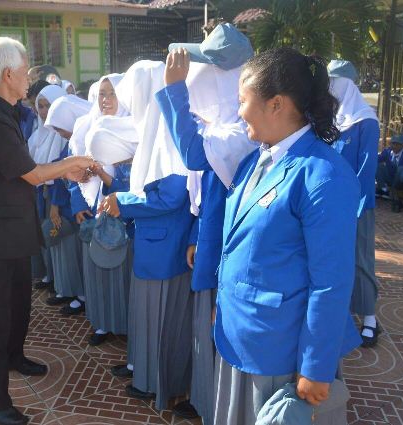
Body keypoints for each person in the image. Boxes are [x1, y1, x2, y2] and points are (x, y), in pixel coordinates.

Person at [168, 46, 361, 424]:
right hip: (242, 333)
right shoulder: (256, 159)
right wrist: (224, 306)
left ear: (276, 104)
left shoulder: (323, 175)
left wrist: (316, 367)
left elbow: (331, 282)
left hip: (281, 348)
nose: (238, 111)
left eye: (243, 101)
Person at [0, 37, 95, 425]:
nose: (29, 79)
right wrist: (70, 163)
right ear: (7, 74)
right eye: (24, 71)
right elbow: (33, 174)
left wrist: (65, 167)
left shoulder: (6, 113)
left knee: (18, 305)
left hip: (12, 230)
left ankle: (15, 356)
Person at [156, 22, 255, 423]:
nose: (194, 77)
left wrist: (174, 90)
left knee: (218, 328)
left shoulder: (241, 130)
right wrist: (198, 234)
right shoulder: (223, 124)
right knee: (207, 328)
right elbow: (207, 192)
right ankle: (206, 401)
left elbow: (197, 156)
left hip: (231, 249)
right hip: (213, 239)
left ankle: (215, 408)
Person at [101, 60, 195, 410]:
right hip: (154, 242)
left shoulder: (170, 134)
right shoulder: (156, 129)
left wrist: (122, 202)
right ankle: (142, 372)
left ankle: (157, 382)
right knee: (145, 313)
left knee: (160, 317)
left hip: (166, 246)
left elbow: (171, 196)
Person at [328, 59, 383, 348]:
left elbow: (366, 169)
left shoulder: (365, 120)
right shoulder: (331, 120)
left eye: (334, 82)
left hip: (358, 205)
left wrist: (355, 207)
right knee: (337, 259)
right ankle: (345, 314)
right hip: (331, 203)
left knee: (361, 259)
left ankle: (370, 318)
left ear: (347, 84)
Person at [80, 74, 138, 345]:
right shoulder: (92, 127)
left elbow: (136, 185)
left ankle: (125, 326)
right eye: (102, 94)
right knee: (102, 271)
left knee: (121, 274)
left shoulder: (136, 131)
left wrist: (103, 176)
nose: (105, 100)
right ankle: (104, 323)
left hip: (126, 220)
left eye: (112, 93)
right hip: (100, 213)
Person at [43, 94, 92, 315]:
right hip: (73, 207)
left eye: (60, 128)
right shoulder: (73, 140)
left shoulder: (89, 137)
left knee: (85, 258)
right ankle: (77, 293)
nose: (59, 134)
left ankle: (83, 297)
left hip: (84, 209)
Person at [27, 84, 66, 292]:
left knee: (54, 235)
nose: (43, 111)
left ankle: (59, 283)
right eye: (40, 106)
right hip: (39, 192)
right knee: (44, 235)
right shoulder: (38, 134)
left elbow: (60, 170)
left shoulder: (61, 133)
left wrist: (56, 204)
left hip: (55, 195)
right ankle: (49, 276)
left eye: (48, 106)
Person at [376, 134, 403, 204]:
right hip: (390, 178)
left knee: (402, 168)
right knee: (378, 166)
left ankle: (394, 191)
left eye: (398, 144)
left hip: (400, 182)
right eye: (393, 143)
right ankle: (383, 189)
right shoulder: (387, 151)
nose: (394, 146)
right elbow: (377, 159)